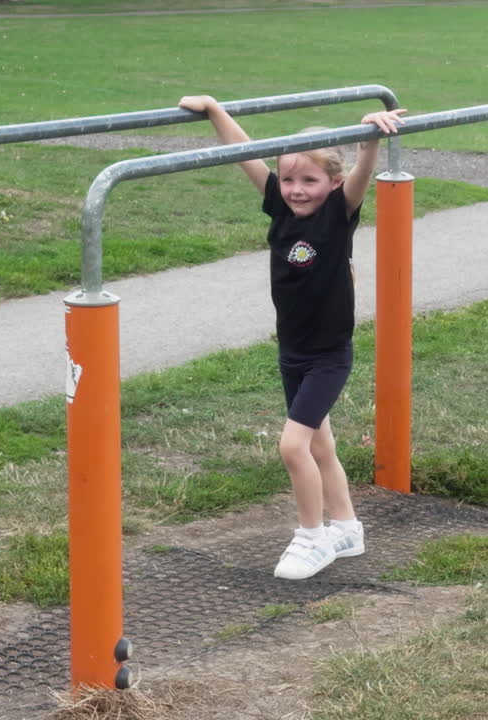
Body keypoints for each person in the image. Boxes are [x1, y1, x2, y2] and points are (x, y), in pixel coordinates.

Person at [177, 94, 407, 580]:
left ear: (333, 182)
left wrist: (369, 137)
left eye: (309, 180)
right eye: (288, 179)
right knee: (320, 446)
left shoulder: (337, 215)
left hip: (327, 356)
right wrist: (215, 111)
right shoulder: (279, 208)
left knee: (292, 447)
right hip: (292, 352)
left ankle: (312, 537)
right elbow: (245, 153)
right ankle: (346, 527)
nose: (297, 190)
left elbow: (364, 175)